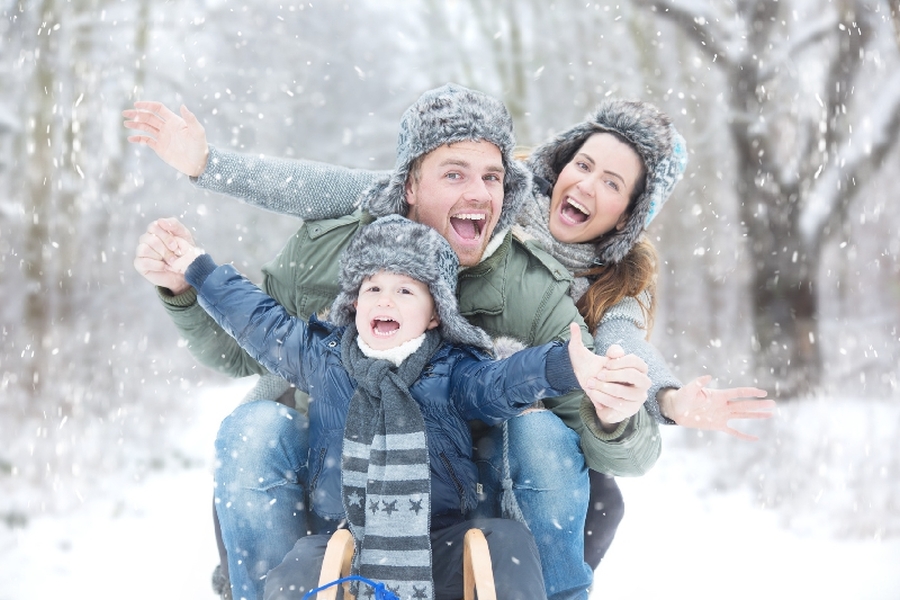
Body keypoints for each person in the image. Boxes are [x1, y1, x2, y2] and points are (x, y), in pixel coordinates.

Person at [131, 84, 660, 600]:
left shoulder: (522, 290)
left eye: (491, 177)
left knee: (549, 447)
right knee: (251, 430)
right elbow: (252, 334)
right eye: (454, 174)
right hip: (337, 477)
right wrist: (186, 280)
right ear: (409, 185)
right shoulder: (330, 270)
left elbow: (512, 378)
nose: (478, 193)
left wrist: (599, 393)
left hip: (458, 498)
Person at [156, 214, 637, 600]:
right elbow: (258, 320)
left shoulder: (454, 371)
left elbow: (504, 380)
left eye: (405, 290)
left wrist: (563, 365)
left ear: (434, 317)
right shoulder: (324, 360)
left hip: (442, 544)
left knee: (505, 545)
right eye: (373, 289)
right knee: (296, 569)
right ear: (354, 304)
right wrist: (198, 268)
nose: (385, 299)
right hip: (343, 543)